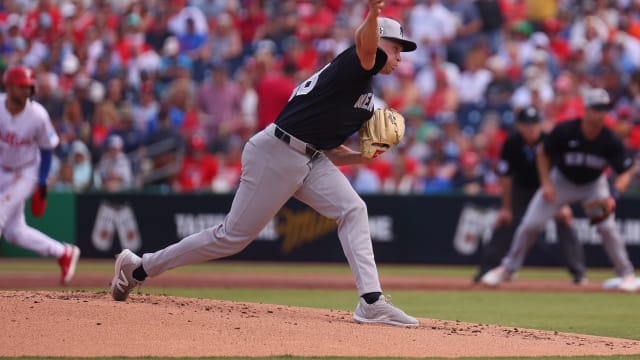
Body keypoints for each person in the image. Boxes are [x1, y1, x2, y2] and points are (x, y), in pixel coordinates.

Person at [110, 1, 419, 327]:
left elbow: (332, 150)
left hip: (310, 157)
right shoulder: (357, 65)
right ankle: (139, 267)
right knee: (231, 238)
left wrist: (362, 156)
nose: (399, 57)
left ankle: (371, 301)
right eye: (396, 48)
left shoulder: (363, 98)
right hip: (276, 151)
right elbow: (364, 43)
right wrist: (372, 13)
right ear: (378, 41)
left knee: (353, 209)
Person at [481, 88, 639, 292]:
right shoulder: (566, 131)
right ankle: (508, 268)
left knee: (606, 228)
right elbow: (543, 154)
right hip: (561, 182)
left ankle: (626, 274)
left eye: (604, 108)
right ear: (586, 109)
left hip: (592, 187)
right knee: (530, 224)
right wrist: (546, 183)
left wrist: (614, 194)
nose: (600, 113)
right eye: (596, 108)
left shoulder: (609, 139)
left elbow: (626, 171)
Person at [472, 106, 586, 285]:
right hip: (521, 188)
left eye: (534, 124)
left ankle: (578, 272)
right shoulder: (512, 142)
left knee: (564, 220)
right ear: (519, 126)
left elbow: (561, 171)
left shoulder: (550, 140)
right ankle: (487, 269)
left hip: (549, 187)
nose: (531, 128)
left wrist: (563, 203)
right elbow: (505, 176)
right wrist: (506, 207)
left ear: (540, 125)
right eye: (527, 124)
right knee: (506, 221)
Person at [0, 65, 80, 285]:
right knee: (14, 233)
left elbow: (47, 148)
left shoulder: (37, 115)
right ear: (9, 86)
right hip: (1, 168)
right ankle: (63, 252)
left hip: (25, 172)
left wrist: (42, 182)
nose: (27, 91)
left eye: (29, 87)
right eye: (22, 86)